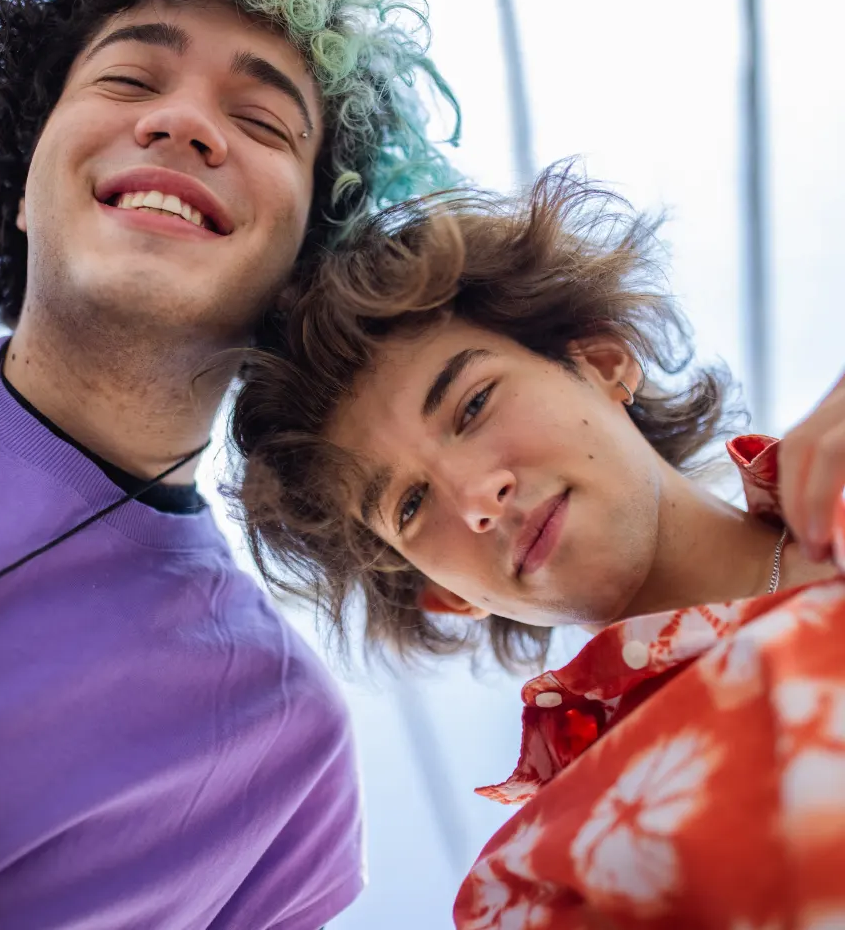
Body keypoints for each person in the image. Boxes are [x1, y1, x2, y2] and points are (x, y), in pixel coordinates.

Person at [0, 0, 459, 927]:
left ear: (300, 272)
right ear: (26, 181)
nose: (186, 122)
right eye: (126, 78)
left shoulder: (282, 771)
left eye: (261, 121)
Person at [229, 165, 845, 929]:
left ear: (605, 363)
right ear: (450, 595)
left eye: (474, 403)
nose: (474, 498)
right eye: (413, 504)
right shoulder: (540, 880)